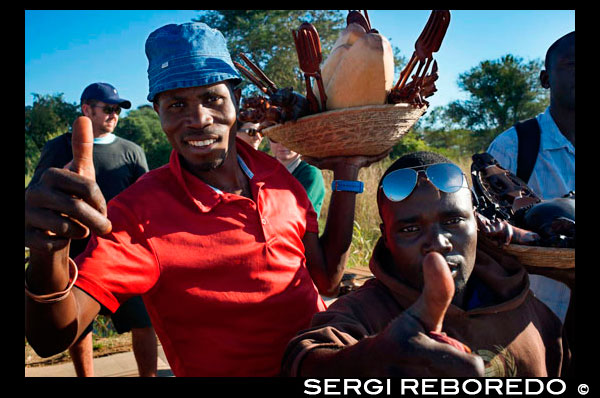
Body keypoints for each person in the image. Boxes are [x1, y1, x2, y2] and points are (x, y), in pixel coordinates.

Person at [24, 22, 386, 377]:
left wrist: (346, 174)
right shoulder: (139, 215)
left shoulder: (278, 178)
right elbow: (51, 338)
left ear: (237, 101)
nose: (198, 119)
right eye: (177, 104)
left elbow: (325, 279)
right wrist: (48, 252)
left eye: (212, 98)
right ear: (159, 114)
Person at [282, 151, 570, 377]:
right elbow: (304, 360)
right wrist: (371, 359)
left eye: (453, 221)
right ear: (386, 238)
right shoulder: (364, 313)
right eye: (410, 229)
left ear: (477, 224)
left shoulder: (530, 313)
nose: (438, 242)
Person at [26, 82, 157, 377]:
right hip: (75, 253)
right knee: (79, 326)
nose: (114, 115)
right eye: (108, 108)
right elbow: (37, 192)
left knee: (143, 321)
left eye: (118, 110)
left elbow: (148, 201)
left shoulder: (132, 151)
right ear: (86, 109)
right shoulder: (58, 147)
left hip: (124, 254)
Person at [487, 31, 574, 324]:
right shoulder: (513, 147)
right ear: (545, 79)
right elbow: (490, 239)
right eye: (572, 63)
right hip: (534, 319)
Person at [269, 138, 326, 218]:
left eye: (289, 139)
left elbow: (296, 215)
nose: (281, 144)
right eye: (275, 139)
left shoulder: (310, 173)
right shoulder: (265, 168)